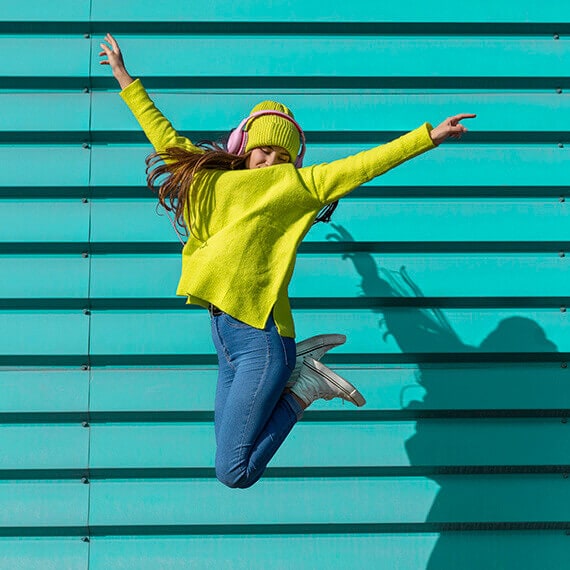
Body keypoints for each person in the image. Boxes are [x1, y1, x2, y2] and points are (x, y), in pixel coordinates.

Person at [99, 33, 475, 489]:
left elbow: (363, 165)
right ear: (244, 147)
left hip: (262, 339)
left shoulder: (296, 187)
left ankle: (304, 387)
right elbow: (164, 135)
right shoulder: (209, 181)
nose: (271, 160)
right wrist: (123, 77)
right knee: (226, 451)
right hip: (227, 339)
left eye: (282, 155)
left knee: (233, 472)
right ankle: (305, 371)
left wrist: (429, 137)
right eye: (263, 150)